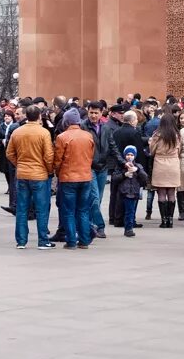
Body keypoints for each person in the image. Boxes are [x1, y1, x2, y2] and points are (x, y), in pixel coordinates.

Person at [7, 104, 56, 250]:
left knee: (22, 208)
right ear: (40, 116)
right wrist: (49, 170)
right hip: (39, 174)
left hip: (22, 173)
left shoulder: (17, 132)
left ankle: (21, 241)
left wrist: (20, 164)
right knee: (41, 208)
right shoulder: (43, 133)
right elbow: (48, 156)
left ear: (26, 116)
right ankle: (42, 240)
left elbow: (9, 153)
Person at [54, 108, 96, 249]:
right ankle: (84, 240)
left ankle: (71, 241)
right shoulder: (88, 136)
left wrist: (58, 173)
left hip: (68, 178)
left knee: (68, 211)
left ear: (66, 121)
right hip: (85, 176)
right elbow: (91, 156)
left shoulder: (62, 137)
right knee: (83, 210)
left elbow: (58, 160)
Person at [81, 102, 118, 239]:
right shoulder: (83, 127)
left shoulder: (106, 128)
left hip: (103, 168)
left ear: (102, 113)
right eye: (91, 112)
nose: (93, 115)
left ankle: (91, 225)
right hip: (89, 167)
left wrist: (123, 162)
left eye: (96, 113)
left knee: (98, 199)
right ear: (88, 112)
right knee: (95, 198)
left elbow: (113, 147)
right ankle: (100, 226)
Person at [148, 113, 182, 229]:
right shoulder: (177, 135)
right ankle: (171, 220)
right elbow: (179, 150)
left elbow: (152, 151)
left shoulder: (157, 135)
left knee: (161, 193)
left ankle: (164, 221)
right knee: (172, 193)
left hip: (160, 164)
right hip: (173, 164)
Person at [113, 146, 148, 237]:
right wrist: (124, 175)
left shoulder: (138, 166)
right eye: (128, 154)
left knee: (130, 210)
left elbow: (145, 178)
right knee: (124, 210)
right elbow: (115, 178)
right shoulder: (120, 167)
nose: (129, 156)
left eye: (132, 155)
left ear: (135, 156)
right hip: (123, 192)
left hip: (134, 192)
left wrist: (138, 170)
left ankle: (129, 228)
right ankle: (126, 226)